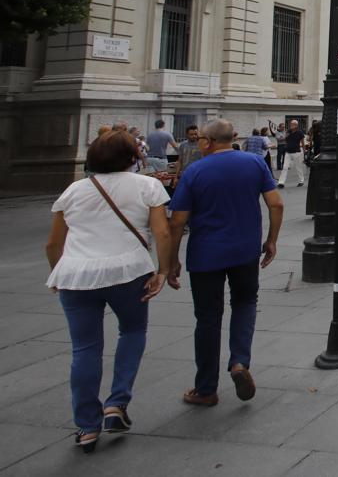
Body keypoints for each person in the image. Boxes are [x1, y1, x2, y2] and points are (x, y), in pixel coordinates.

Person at [46, 129, 174, 453]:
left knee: (84, 349)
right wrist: (163, 270)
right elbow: (162, 232)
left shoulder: (73, 191)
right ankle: (116, 403)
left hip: (76, 275)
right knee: (132, 331)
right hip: (129, 272)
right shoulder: (148, 186)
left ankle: (87, 426)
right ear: (134, 158)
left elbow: (53, 243)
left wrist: (58, 272)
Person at [168, 119, 282, 407]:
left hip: (206, 255)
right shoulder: (254, 163)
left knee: (207, 317)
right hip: (245, 252)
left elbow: (178, 221)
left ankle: (206, 388)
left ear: (206, 142)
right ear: (232, 138)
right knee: (244, 304)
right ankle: (239, 362)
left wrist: (170, 261)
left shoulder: (194, 171)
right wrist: (271, 240)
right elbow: (276, 204)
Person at [277, 119, 306, 188]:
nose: (291, 125)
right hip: (288, 152)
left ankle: (301, 181)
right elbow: (285, 139)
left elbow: (302, 142)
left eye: (292, 124)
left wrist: (304, 151)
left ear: (296, 125)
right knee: (284, 167)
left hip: (296, 152)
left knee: (298, 167)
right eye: (291, 124)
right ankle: (281, 182)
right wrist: (286, 136)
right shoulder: (288, 131)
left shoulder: (300, 132)